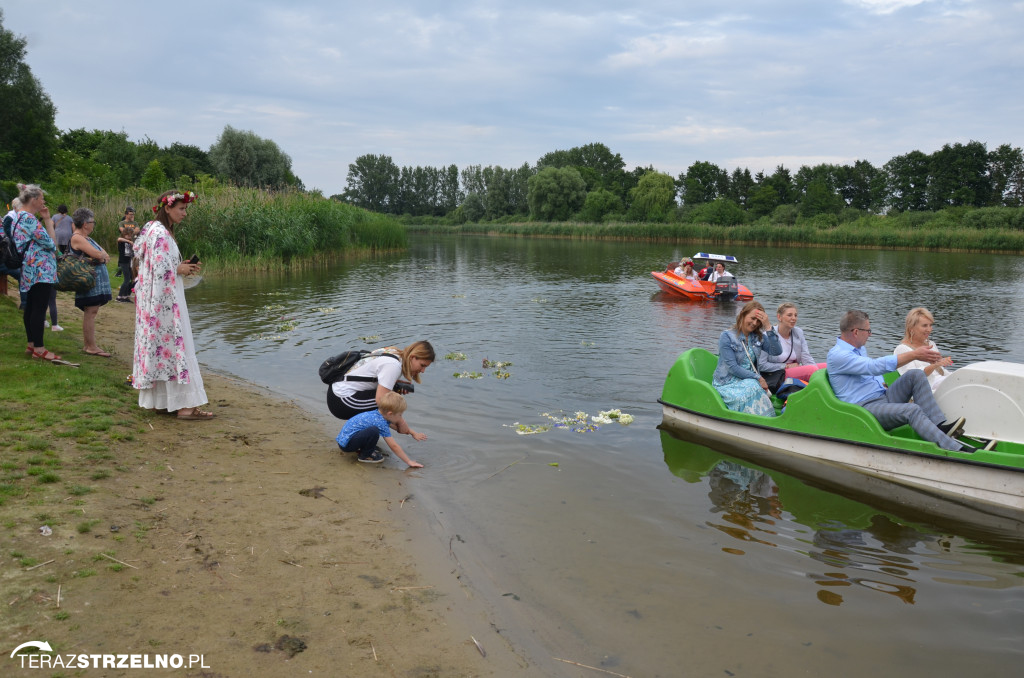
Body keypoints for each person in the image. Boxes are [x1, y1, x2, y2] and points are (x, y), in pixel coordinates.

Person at [825, 309, 990, 453]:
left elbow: (868, 373)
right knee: (912, 410)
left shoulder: (859, 348)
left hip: (882, 396)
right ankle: (957, 450)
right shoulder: (838, 355)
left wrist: (881, 383)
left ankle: (938, 426)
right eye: (868, 331)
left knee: (915, 375)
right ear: (855, 332)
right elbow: (873, 367)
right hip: (864, 409)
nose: (870, 334)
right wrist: (914, 354)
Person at [132, 190, 214, 420]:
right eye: (181, 208)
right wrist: (179, 269)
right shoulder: (159, 232)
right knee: (178, 348)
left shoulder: (152, 229)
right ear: (167, 208)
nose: (185, 213)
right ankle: (186, 407)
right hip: (166, 303)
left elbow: (150, 264)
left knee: (161, 350)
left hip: (158, 301)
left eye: (185, 209)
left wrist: (180, 266)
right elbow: (159, 269)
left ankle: (160, 403)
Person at [327, 340, 434, 439]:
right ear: (412, 357)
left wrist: (395, 386)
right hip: (341, 400)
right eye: (422, 365)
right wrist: (401, 423)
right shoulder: (393, 365)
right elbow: (382, 402)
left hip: (337, 390)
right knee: (388, 405)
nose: (423, 370)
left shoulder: (393, 352)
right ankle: (361, 443)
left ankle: (361, 438)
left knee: (390, 399)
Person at [12, 184, 60, 361]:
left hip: (29, 268)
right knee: (39, 308)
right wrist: (47, 222)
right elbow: (51, 244)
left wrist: (46, 217)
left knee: (31, 306)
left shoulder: (18, 217)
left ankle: (31, 344)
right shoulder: (30, 219)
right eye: (41, 198)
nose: (44, 201)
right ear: (33, 200)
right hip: (40, 269)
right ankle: (39, 349)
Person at [712, 301, 782, 417]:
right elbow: (732, 368)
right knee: (753, 386)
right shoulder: (727, 336)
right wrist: (758, 377)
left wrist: (768, 327)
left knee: (753, 386)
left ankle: (768, 421)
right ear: (743, 315)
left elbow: (776, 351)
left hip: (750, 381)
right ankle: (760, 423)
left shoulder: (757, 337)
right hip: (727, 383)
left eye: (758, 321)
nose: (755, 323)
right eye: (752, 318)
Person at [335, 391, 423, 467]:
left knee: (372, 430)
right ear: (390, 413)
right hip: (347, 445)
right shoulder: (380, 422)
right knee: (373, 431)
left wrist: (413, 433)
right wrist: (409, 461)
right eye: (400, 415)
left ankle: (364, 449)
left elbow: (398, 429)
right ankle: (365, 455)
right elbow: (394, 446)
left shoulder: (377, 414)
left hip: (344, 440)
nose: (401, 418)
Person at [68, 208, 113, 357]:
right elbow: (98, 254)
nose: (94, 225)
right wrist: (101, 256)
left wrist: (102, 256)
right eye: (92, 222)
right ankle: (90, 346)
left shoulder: (86, 238)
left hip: (94, 281)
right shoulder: (78, 237)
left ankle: (90, 345)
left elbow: (104, 254)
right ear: (86, 223)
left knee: (92, 311)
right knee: (90, 312)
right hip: (88, 282)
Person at [757, 302, 824, 392]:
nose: (794, 318)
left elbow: (806, 357)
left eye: (795, 315)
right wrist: (785, 366)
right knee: (811, 370)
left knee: (825, 367)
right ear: (779, 317)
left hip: (794, 369)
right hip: (778, 374)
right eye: (789, 315)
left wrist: (817, 372)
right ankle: (819, 392)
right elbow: (761, 365)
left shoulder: (798, 333)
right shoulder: (767, 335)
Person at [894, 307, 952, 390]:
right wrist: (936, 364)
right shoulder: (902, 349)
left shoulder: (931, 344)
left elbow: (940, 371)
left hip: (941, 381)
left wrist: (952, 375)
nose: (929, 329)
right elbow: (913, 378)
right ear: (911, 328)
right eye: (924, 326)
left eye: (930, 325)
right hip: (926, 389)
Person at [115, 218, 139, 302]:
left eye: (130, 235)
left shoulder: (130, 241)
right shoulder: (122, 241)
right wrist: (129, 242)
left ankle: (125, 295)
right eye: (128, 235)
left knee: (132, 279)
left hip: (129, 262)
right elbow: (119, 239)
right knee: (126, 279)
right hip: (123, 262)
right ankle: (119, 296)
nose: (129, 237)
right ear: (124, 234)